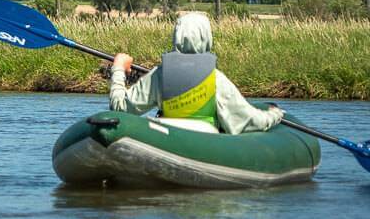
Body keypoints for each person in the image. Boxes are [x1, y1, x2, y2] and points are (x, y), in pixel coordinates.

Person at [110, 11, 283, 134]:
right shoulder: (216, 80)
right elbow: (250, 121)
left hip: (167, 140)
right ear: (207, 38)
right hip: (205, 142)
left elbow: (120, 107)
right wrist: (274, 115)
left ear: (176, 36)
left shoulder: (160, 75)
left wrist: (118, 68)